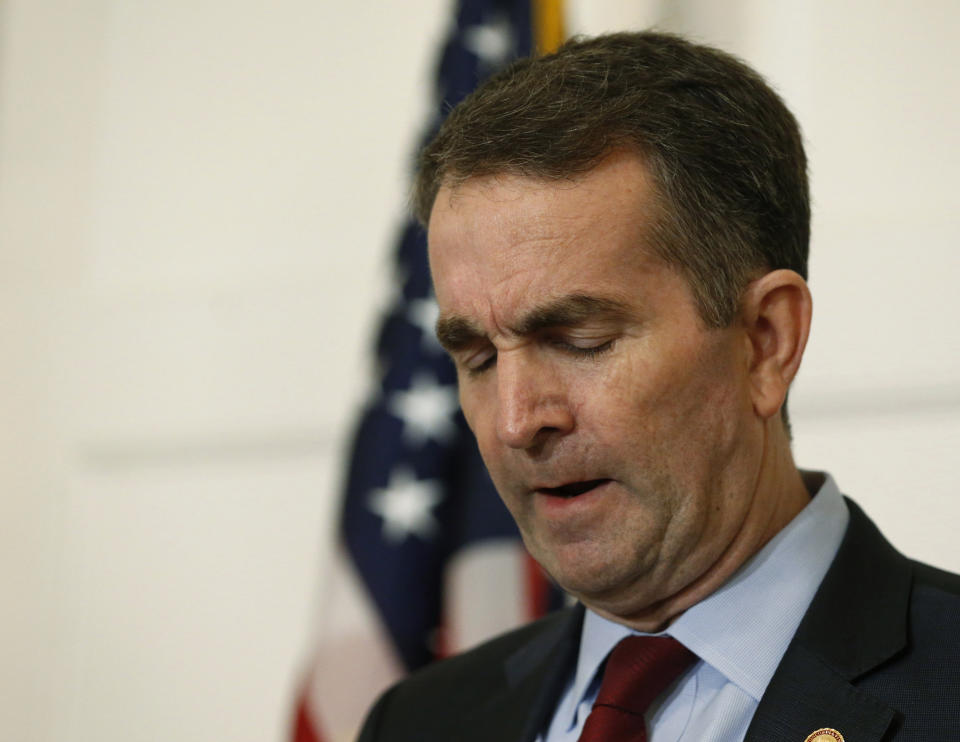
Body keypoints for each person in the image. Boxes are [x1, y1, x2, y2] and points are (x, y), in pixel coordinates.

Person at [357, 31, 960, 742]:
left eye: (580, 341)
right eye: (480, 359)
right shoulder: (418, 722)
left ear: (766, 341)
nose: (518, 420)